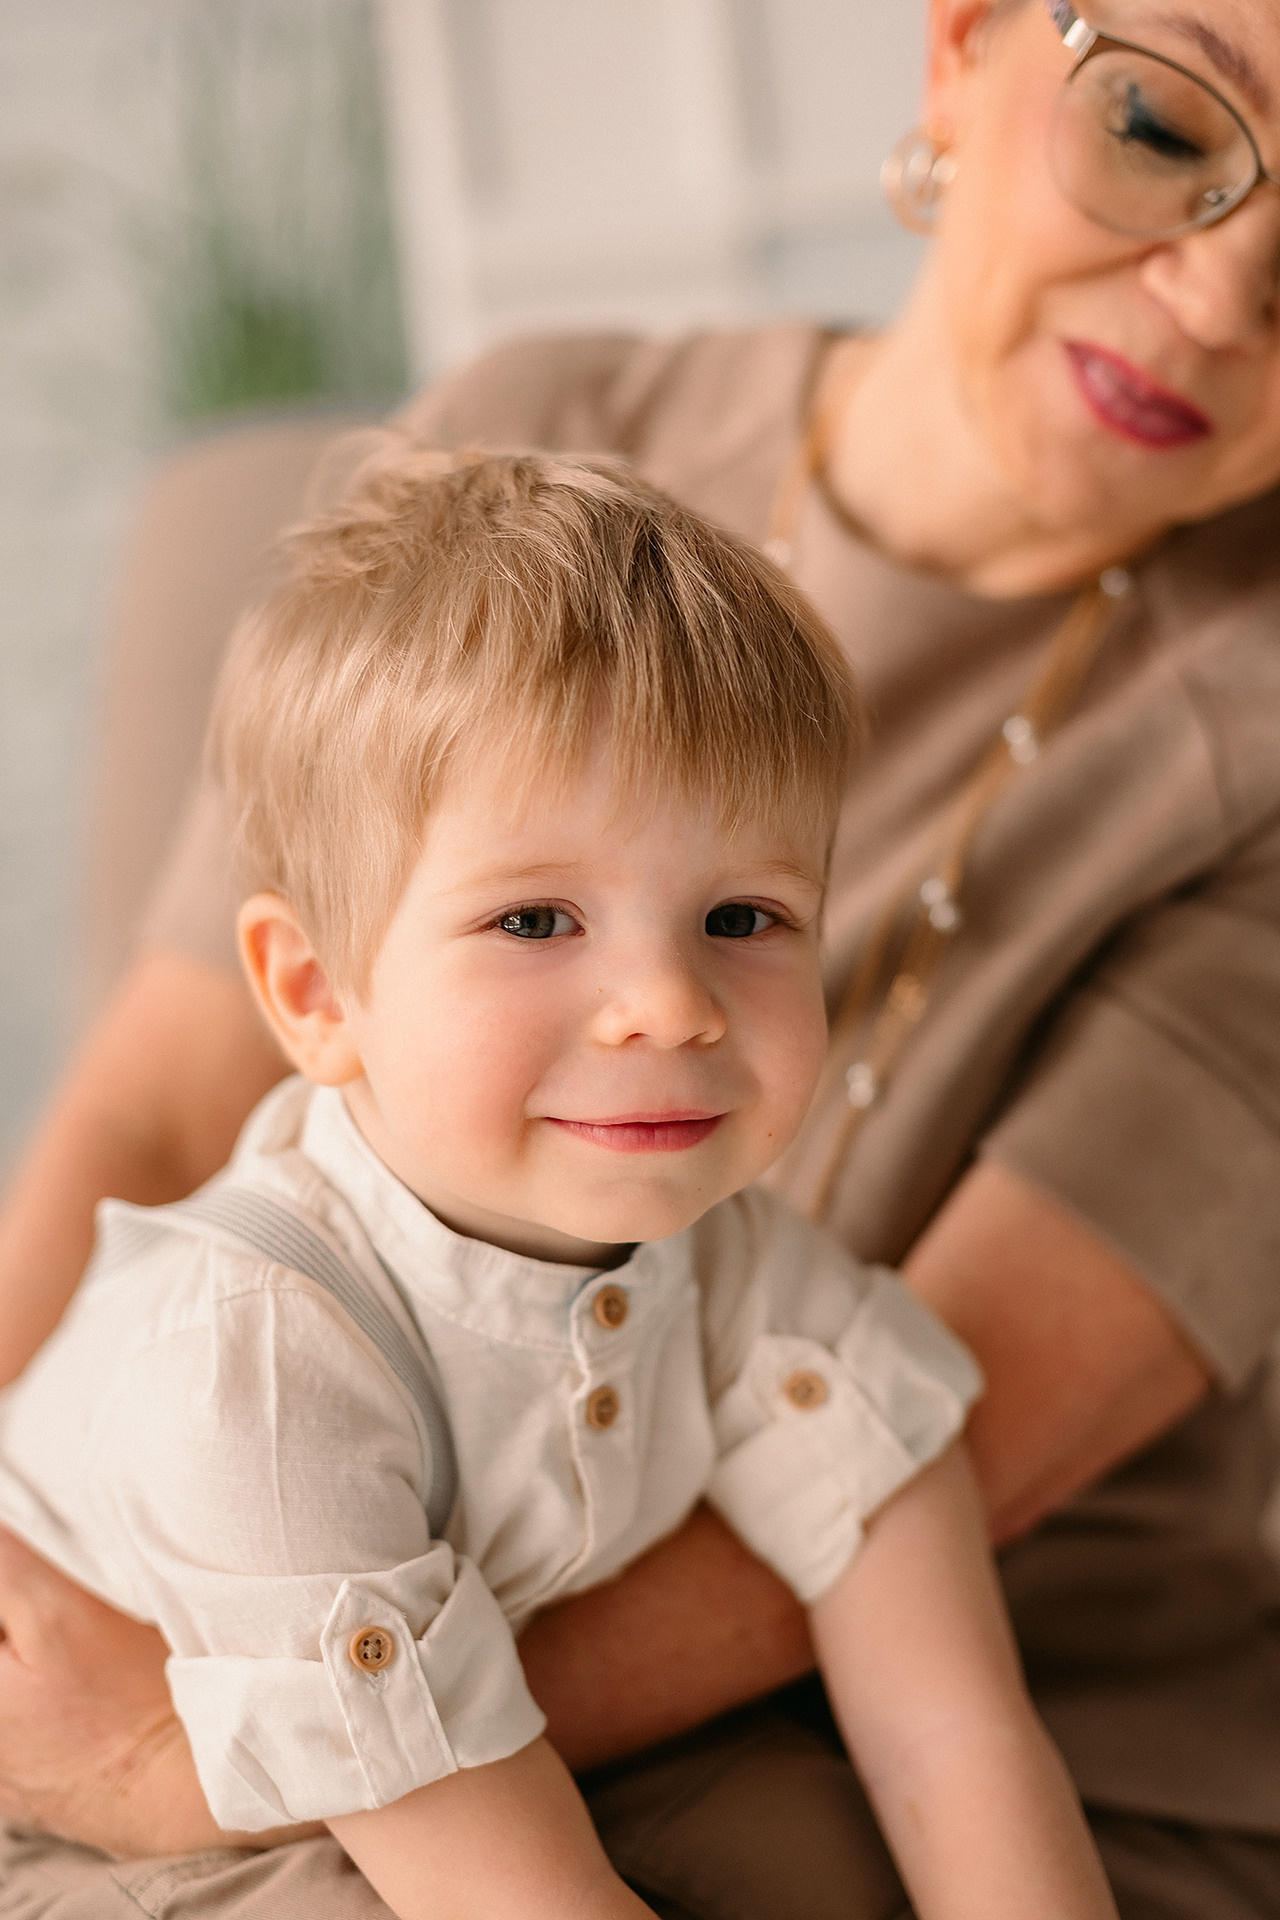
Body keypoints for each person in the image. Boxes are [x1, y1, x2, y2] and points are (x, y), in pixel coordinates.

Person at [1, 0, 1280, 1912]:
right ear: (962, 51)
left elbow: (959, 1504)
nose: (1218, 293)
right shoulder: (538, 441)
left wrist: (186, 1762)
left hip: (915, 1695)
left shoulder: (768, 1289)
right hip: (288, 1646)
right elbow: (166, 1092)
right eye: (1170, 127)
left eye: (751, 920)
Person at [0, 441, 1121, 1920]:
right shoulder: (253, 1362)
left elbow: (953, 1731)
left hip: (472, 1762)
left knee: (817, 1849)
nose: (669, 1004)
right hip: (98, 1820)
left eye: (744, 914)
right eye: (535, 918)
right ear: (319, 990)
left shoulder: (740, 1271)